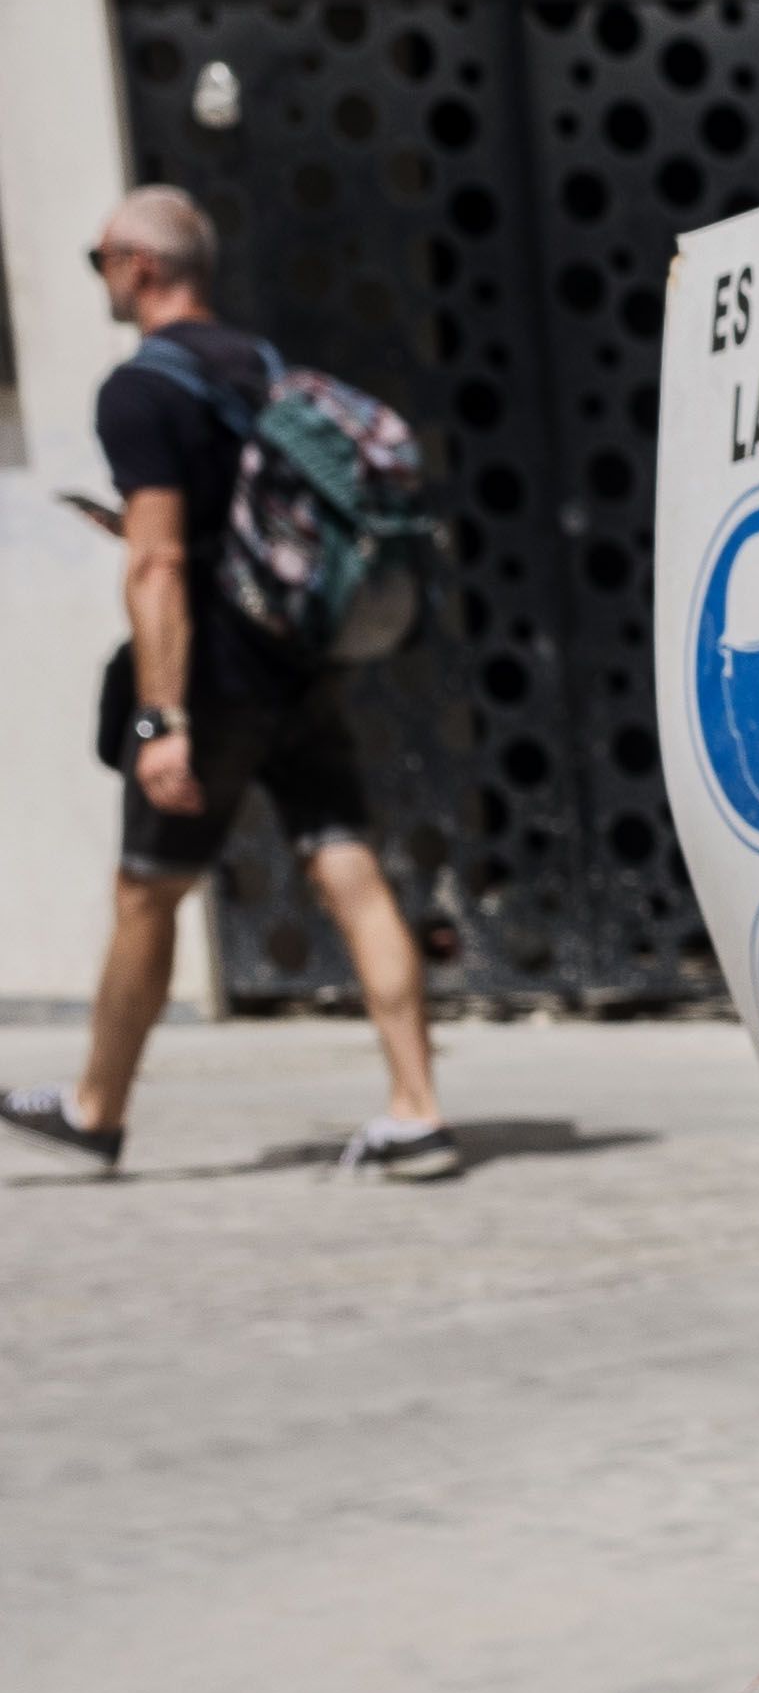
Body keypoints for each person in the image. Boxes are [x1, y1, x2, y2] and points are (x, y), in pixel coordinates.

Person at [3, 189, 458, 1180]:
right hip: (299, 659)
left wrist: (161, 719)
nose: (101, 278)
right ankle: (417, 1111)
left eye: (99, 260)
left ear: (139, 266)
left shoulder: (138, 391)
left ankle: (95, 1110)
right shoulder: (261, 366)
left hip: (210, 676)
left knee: (147, 890)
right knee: (346, 863)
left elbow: (161, 562)